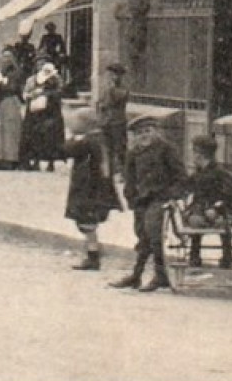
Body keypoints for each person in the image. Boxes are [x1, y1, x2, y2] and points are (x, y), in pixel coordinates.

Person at [110, 115, 186, 292]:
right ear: (134, 136)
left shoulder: (167, 150)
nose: (144, 136)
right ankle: (138, 276)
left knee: (153, 234)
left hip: (160, 198)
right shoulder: (133, 153)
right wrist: (130, 196)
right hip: (141, 199)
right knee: (142, 235)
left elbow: (181, 176)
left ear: (156, 132)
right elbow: (130, 178)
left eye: (148, 131)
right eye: (140, 133)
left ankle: (157, 275)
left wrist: (171, 194)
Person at [62, 107, 122, 271]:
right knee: (88, 223)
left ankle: (93, 255)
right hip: (96, 187)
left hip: (88, 188)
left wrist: (71, 138)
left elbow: (66, 150)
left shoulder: (87, 141)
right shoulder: (99, 139)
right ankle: (93, 252)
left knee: (87, 222)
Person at [181, 135, 232, 271]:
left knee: (222, 223)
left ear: (201, 155)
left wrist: (216, 208)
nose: (193, 155)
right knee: (195, 221)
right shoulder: (198, 173)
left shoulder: (220, 173)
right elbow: (185, 186)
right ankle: (194, 256)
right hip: (200, 210)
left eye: (194, 152)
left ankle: (227, 258)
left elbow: (229, 195)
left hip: (220, 211)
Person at [20, 60, 66, 172]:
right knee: (34, 136)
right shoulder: (32, 79)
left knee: (51, 137)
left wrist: (46, 94)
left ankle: (51, 162)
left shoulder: (57, 79)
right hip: (35, 113)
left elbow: (60, 92)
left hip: (51, 112)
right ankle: (35, 160)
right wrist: (31, 95)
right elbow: (25, 93)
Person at [97, 62, 130, 165]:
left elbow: (112, 100)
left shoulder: (122, 89)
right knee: (107, 148)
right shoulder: (108, 88)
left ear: (120, 76)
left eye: (115, 74)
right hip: (106, 121)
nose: (112, 77)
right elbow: (100, 102)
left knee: (120, 149)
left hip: (117, 122)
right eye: (111, 74)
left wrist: (109, 90)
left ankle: (124, 171)